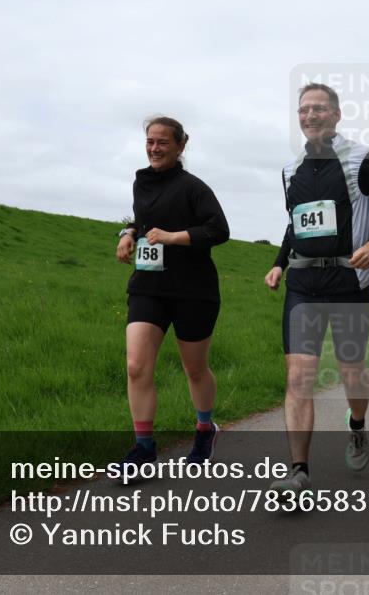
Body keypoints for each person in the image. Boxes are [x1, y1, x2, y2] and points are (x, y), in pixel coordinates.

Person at [264, 83, 369, 495]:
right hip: (303, 283)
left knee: (351, 373)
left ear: (337, 115)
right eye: (304, 110)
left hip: (349, 283)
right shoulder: (290, 171)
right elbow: (296, 224)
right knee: (299, 377)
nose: (310, 116)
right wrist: (277, 264)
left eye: (319, 109)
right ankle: (298, 472)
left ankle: (357, 426)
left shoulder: (362, 159)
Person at [114, 116, 230, 475]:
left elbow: (218, 230)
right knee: (136, 366)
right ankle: (144, 449)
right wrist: (128, 233)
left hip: (193, 289)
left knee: (194, 369)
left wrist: (172, 236)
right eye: (150, 141)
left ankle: (204, 429)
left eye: (162, 142)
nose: (154, 148)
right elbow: (142, 219)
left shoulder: (195, 188)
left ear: (181, 145)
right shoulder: (142, 181)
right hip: (149, 286)